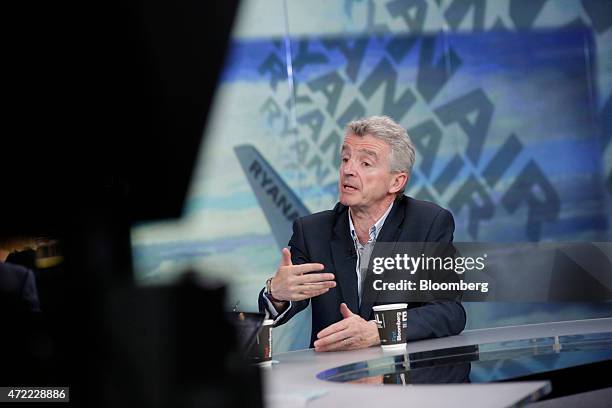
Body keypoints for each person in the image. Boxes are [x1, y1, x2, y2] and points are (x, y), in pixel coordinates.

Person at [258, 116, 466, 351]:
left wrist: (380, 330)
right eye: (345, 159)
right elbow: (274, 312)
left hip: (405, 378)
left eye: (365, 163)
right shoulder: (312, 231)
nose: (348, 170)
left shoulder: (429, 223)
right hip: (335, 378)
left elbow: (449, 312)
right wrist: (276, 294)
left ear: (396, 182)